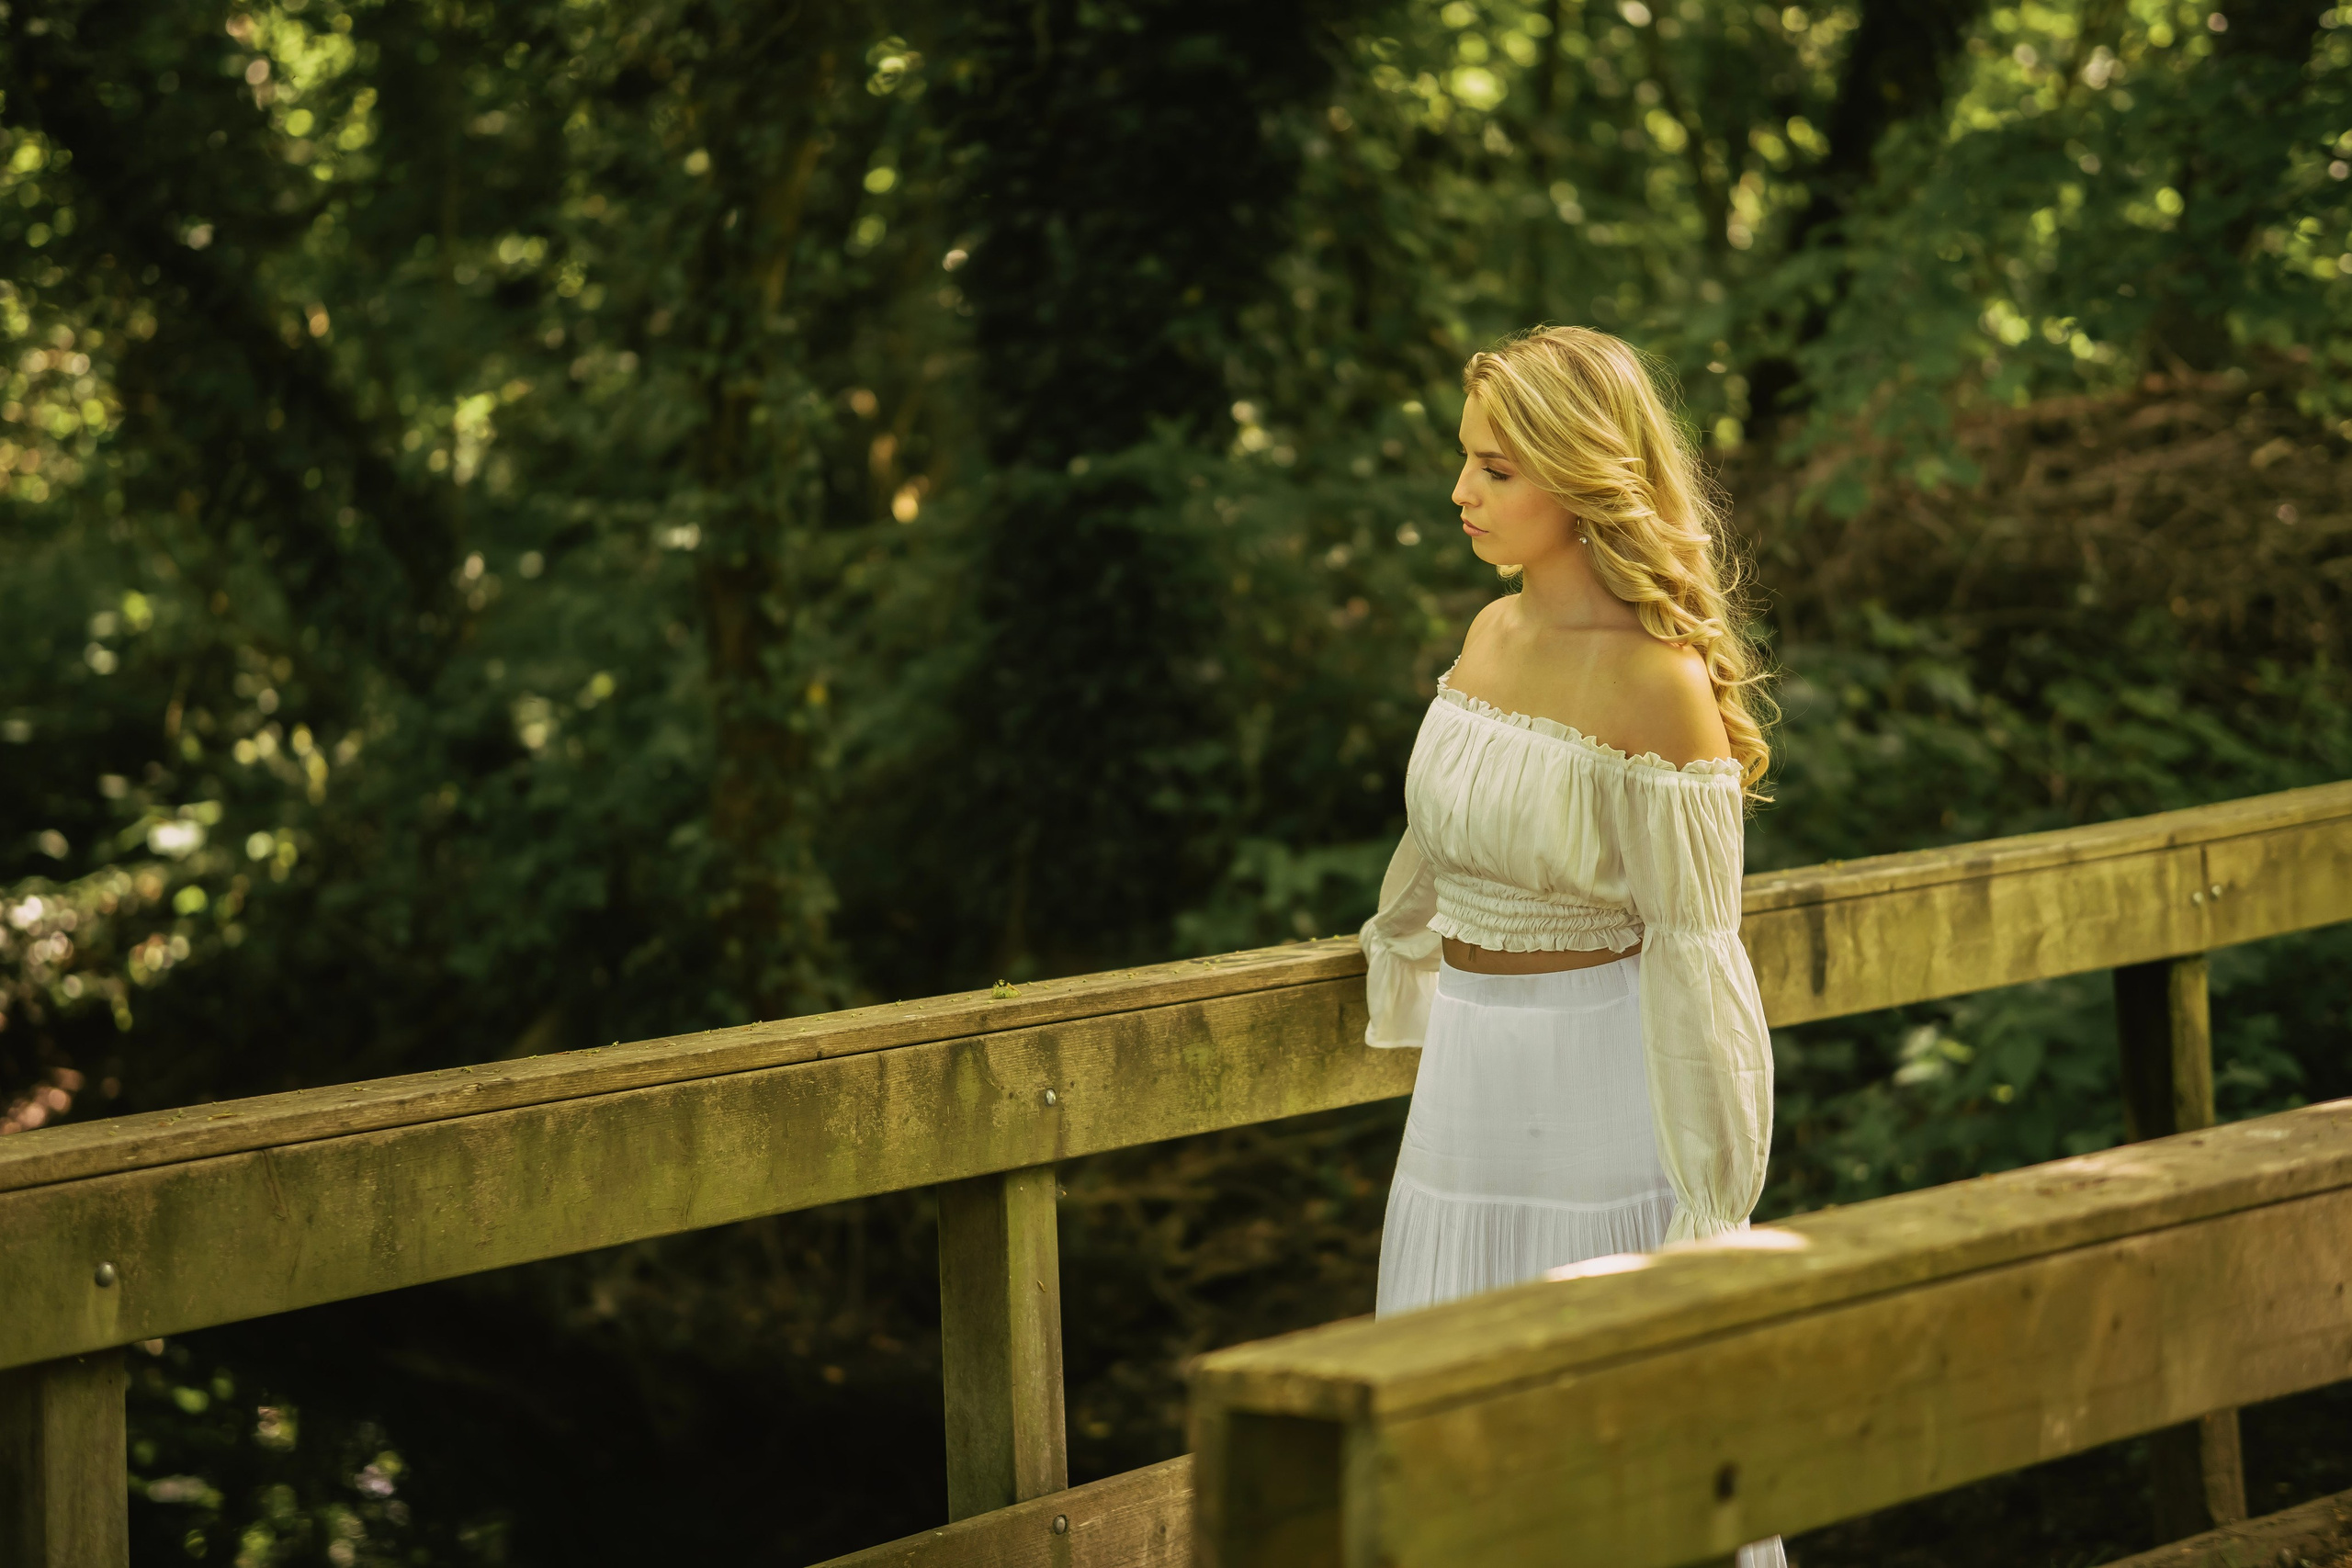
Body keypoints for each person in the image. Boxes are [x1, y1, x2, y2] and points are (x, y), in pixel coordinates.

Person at [1359, 325, 1782, 1567]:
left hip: (1602, 1092)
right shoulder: (1487, 637)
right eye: (1464, 461)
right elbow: (1440, 843)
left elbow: (1703, 959)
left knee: (1604, 1468)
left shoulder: (1661, 683)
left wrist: (1713, 1201)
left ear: (1582, 474)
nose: (1461, 492)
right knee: (1443, 1446)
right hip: (1463, 1085)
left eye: (1496, 468)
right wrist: (1387, 957)